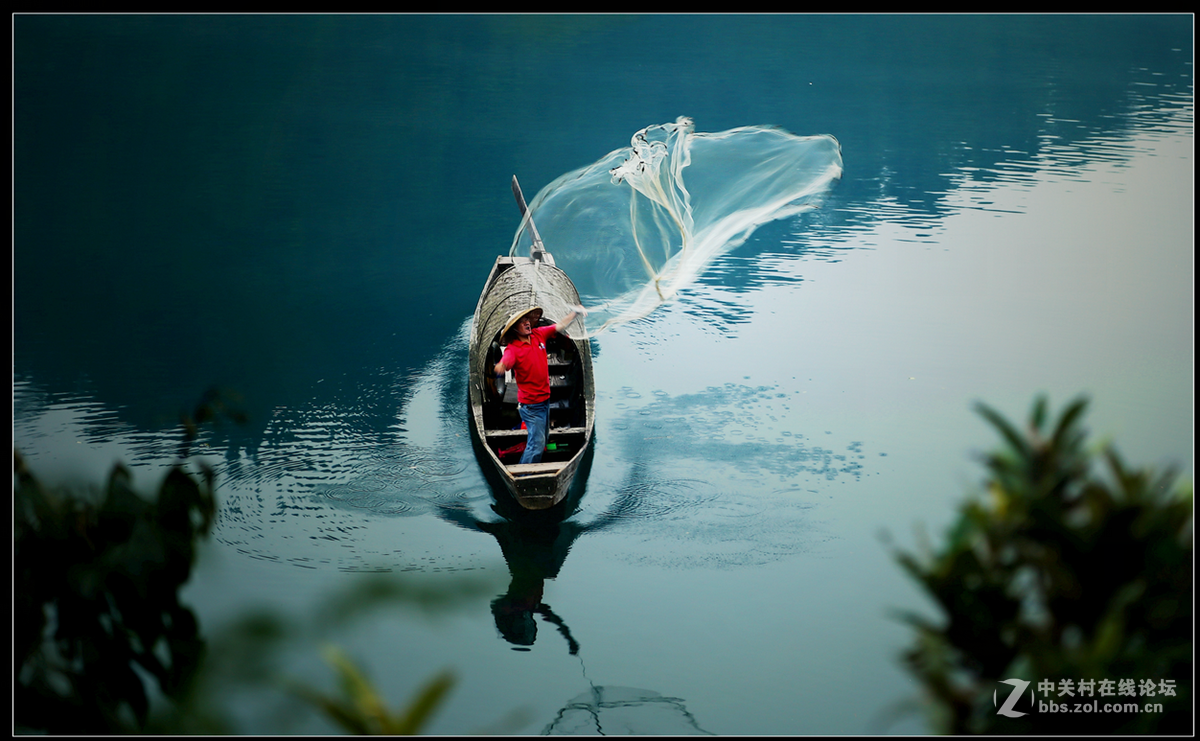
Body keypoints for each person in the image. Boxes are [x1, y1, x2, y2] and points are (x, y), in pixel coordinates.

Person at [493, 306, 582, 465]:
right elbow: (505, 362)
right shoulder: (513, 349)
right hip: (531, 406)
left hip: (545, 400)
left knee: (542, 439)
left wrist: (575, 313)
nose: (527, 323)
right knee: (537, 445)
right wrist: (499, 367)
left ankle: (529, 467)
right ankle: (523, 476)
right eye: (522, 322)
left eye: (527, 320)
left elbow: (559, 326)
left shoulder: (538, 334)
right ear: (515, 329)